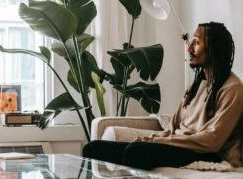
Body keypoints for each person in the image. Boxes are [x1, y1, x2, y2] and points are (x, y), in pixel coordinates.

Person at [83, 22, 243, 170]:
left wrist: (159, 141)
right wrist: (152, 138)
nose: (189, 49)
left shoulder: (233, 89)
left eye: (196, 42)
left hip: (206, 153)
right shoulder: (196, 86)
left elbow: (212, 141)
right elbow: (173, 128)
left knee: (136, 152)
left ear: (214, 47)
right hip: (179, 147)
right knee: (93, 148)